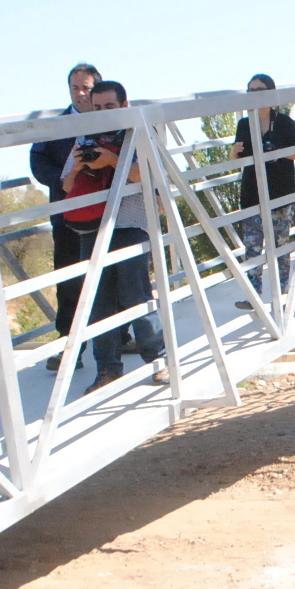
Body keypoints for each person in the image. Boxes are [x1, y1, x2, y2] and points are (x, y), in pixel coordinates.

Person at [62, 80, 166, 390]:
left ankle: (159, 361)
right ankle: (107, 370)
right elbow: (66, 186)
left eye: (109, 106)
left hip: (131, 223)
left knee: (136, 294)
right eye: (96, 108)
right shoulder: (84, 136)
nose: (102, 113)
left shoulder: (140, 133)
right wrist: (79, 167)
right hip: (92, 226)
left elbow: (145, 172)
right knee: (98, 301)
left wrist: (112, 160)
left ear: (124, 105)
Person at [28, 63, 104, 371]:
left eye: (86, 87)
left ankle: (120, 335)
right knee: (70, 280)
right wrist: (60, 182)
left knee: (111, 277)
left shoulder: (112, 119)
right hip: (67, 214)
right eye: (75, 88)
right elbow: (37, 158)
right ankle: (69, 348)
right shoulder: (55, 126)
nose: (81, 94)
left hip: (109, 212)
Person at [231, 73, 295, 309]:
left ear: (272, 94)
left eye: (260, 90)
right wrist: (234, 151)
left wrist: (276, 150)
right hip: (252, 193)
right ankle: (253, 296)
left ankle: (283, 294)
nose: (255, 95)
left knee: (280, 246)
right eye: (250, 91)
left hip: (280, 194)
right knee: (252, 248)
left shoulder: (284, 123)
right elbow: (236, 159)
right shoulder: (244, 124)